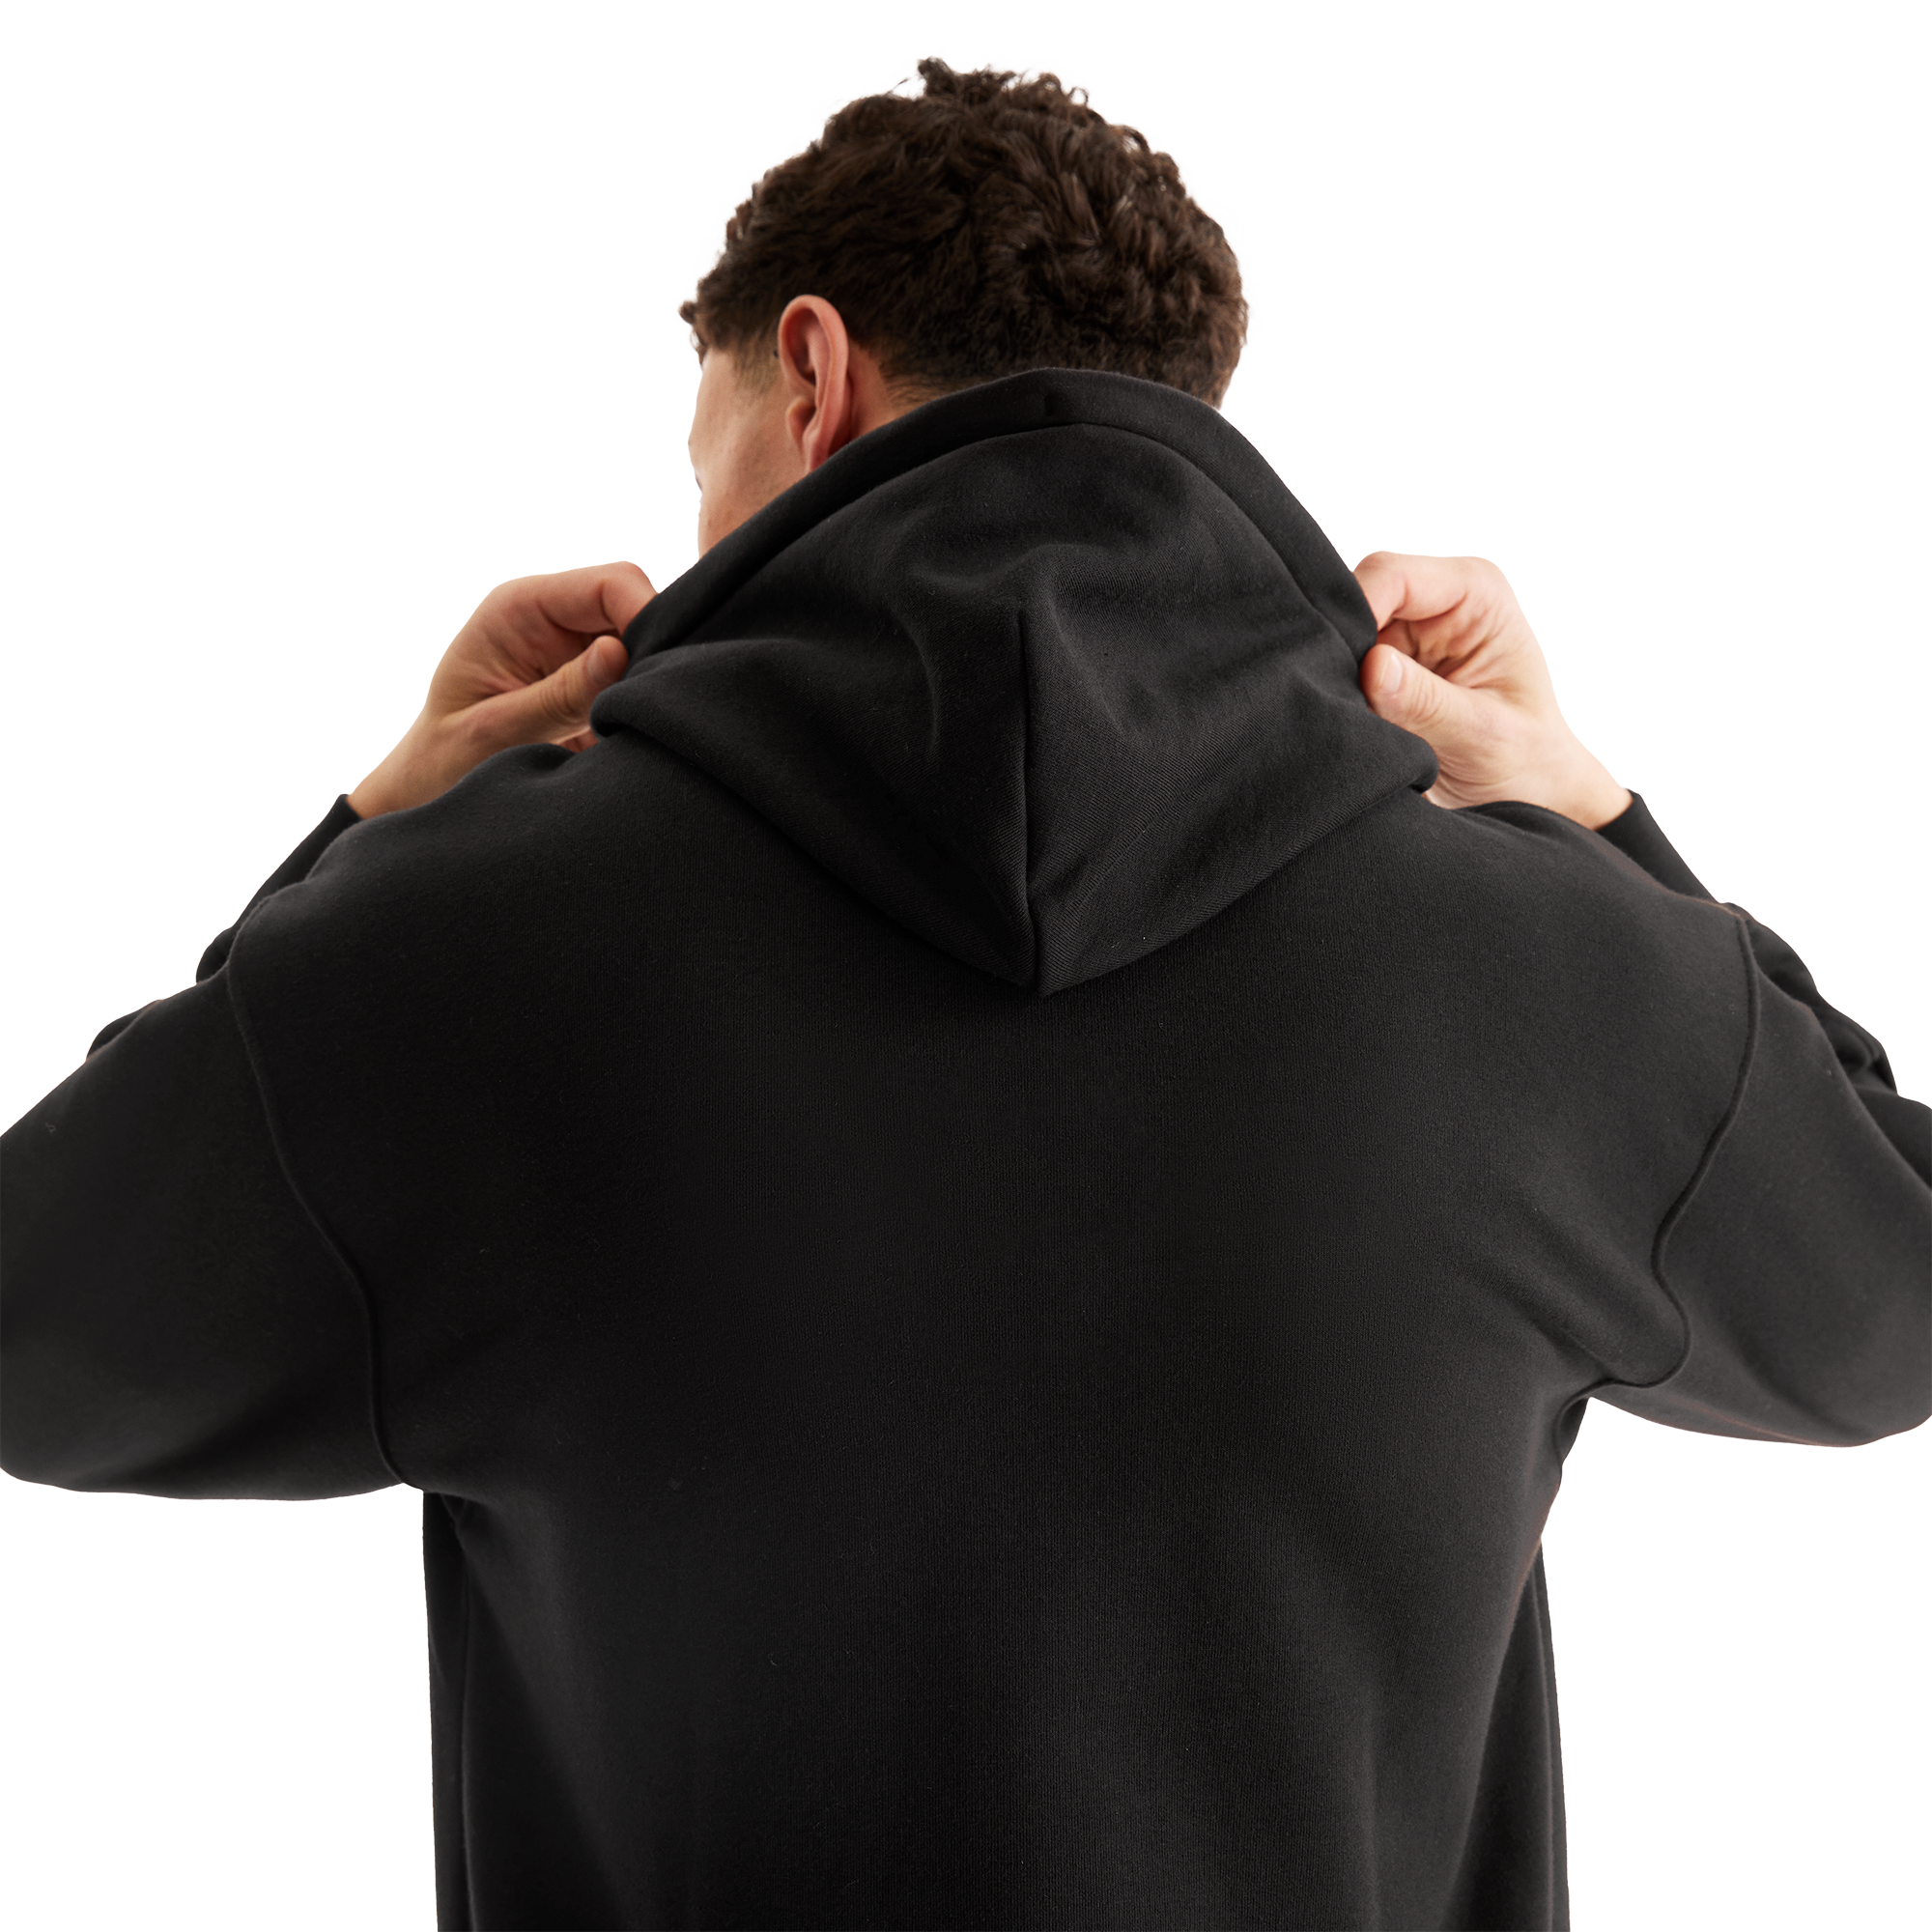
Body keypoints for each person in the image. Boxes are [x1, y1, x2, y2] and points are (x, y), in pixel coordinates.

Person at [4, 53, 1930, 1932]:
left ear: (812, 376)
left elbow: (42, 1327)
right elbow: (1896, 1290)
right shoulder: (1554, 979)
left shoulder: (461, 957)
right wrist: (1594, 821)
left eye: (705, 468)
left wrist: (378, 833)